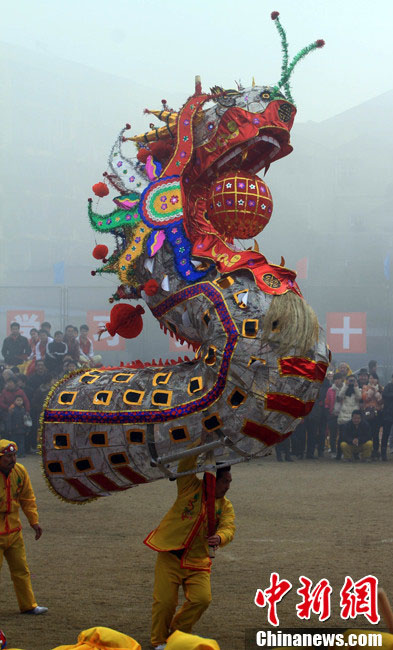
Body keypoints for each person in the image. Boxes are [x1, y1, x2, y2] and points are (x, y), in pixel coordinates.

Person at [144, 443, 235, 649]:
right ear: (213, 480)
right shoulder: (189, 486)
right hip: (170, 556)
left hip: (198, 560)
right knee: (164, 603)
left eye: (230, 481)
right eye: (224, 481)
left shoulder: (225, 505)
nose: (228, 486)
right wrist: (202, 443)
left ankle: (177, 633)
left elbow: (229, 527)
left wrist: (220, 538)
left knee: (202, 600)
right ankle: (159, 642)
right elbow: (186, 462)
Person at [0, 439, 48, 614]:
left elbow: (27, 499)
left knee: (21, 570)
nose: (12, 460)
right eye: (7, 457)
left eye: (14, 456)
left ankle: (29, 605)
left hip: (14, 531)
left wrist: (33, 522)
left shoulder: (20, 471)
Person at [336, 375, 361, 460]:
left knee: (355, 436)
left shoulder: (357, 389)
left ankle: (355, 454)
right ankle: (339, 454)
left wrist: (356, 387)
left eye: (353, 380)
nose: (351, 382)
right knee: (342, 437)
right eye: (350, 380)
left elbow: (359, 398)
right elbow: (340, 396)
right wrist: (346, 386)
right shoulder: (343, 389)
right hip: (343, 416)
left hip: (354, 417)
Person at [361, 374, 383, 459]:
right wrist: (371, 391)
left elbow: (381, 402)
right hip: (367, 413)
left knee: (375, 433)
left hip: (377, 414)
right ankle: (367, 451)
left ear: (377, 380)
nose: (372, 380)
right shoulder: (365, 387)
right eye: (370, 378)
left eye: (374, 378)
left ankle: (376, 451)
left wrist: (377, 393)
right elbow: (365, 398)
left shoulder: (381, 388)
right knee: (367, 432)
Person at [324, 372, 344, 454]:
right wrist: (329, 413)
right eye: (335, 379)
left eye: (339, 379)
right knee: (332, 435)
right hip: (333, 414)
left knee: (342, 434)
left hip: (343, 414)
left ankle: (341, 451)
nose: (337, 381)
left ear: (342, 379)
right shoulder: (330, 390)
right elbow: (327, 403)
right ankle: (333, 451)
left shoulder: (345, 389)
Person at [381, 375, 393, 461]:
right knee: (385, 434)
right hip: (388, 414)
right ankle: (383, 453)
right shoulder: (388, 386)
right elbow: (384, 395)